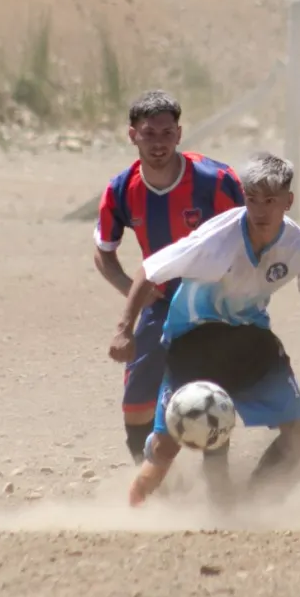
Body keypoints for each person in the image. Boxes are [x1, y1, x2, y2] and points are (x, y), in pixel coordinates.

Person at [107, 151, 300, 507]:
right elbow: (150, 269)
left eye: (270, 201)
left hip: (250, 340)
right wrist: (124, 328)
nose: (260, 210)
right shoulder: (217, 239)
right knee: (164, 448)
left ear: (288, 201)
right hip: (194, 341)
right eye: (252, 199)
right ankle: (128, 516)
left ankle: (253, 505)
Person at [93, 89, 245, 467]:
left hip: (212, 303)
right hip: (160, 304)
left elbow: (250, 235)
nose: (158, 143)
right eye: (149, 134)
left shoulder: (216, 180)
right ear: (133, 135)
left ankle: (219, 485)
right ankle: (158, 485)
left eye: (166, 133)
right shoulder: (120, 190)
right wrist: (132, 291)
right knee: (136, 406)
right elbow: (103, 252)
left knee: (208, 397)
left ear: (179, 133)